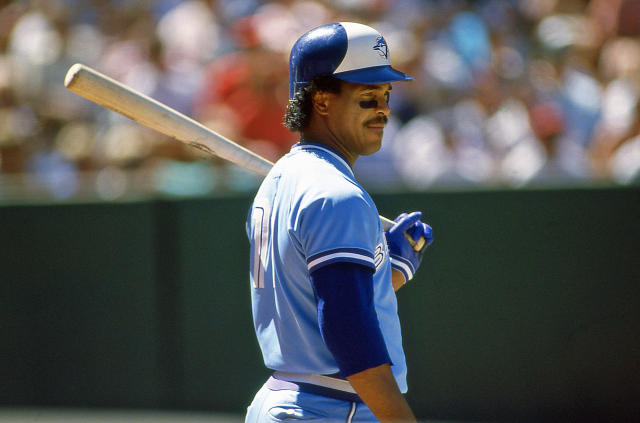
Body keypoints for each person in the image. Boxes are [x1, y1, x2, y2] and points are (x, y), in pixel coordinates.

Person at [245, 22, 433, 423]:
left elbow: (316, 298)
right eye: (368, 97)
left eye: (386, 95)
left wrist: (391, 265)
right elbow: (350, 335)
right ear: (322, 101)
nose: (383, 109)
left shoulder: (282, 179)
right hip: (331, 407)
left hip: (291, 397)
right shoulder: (336, 195)